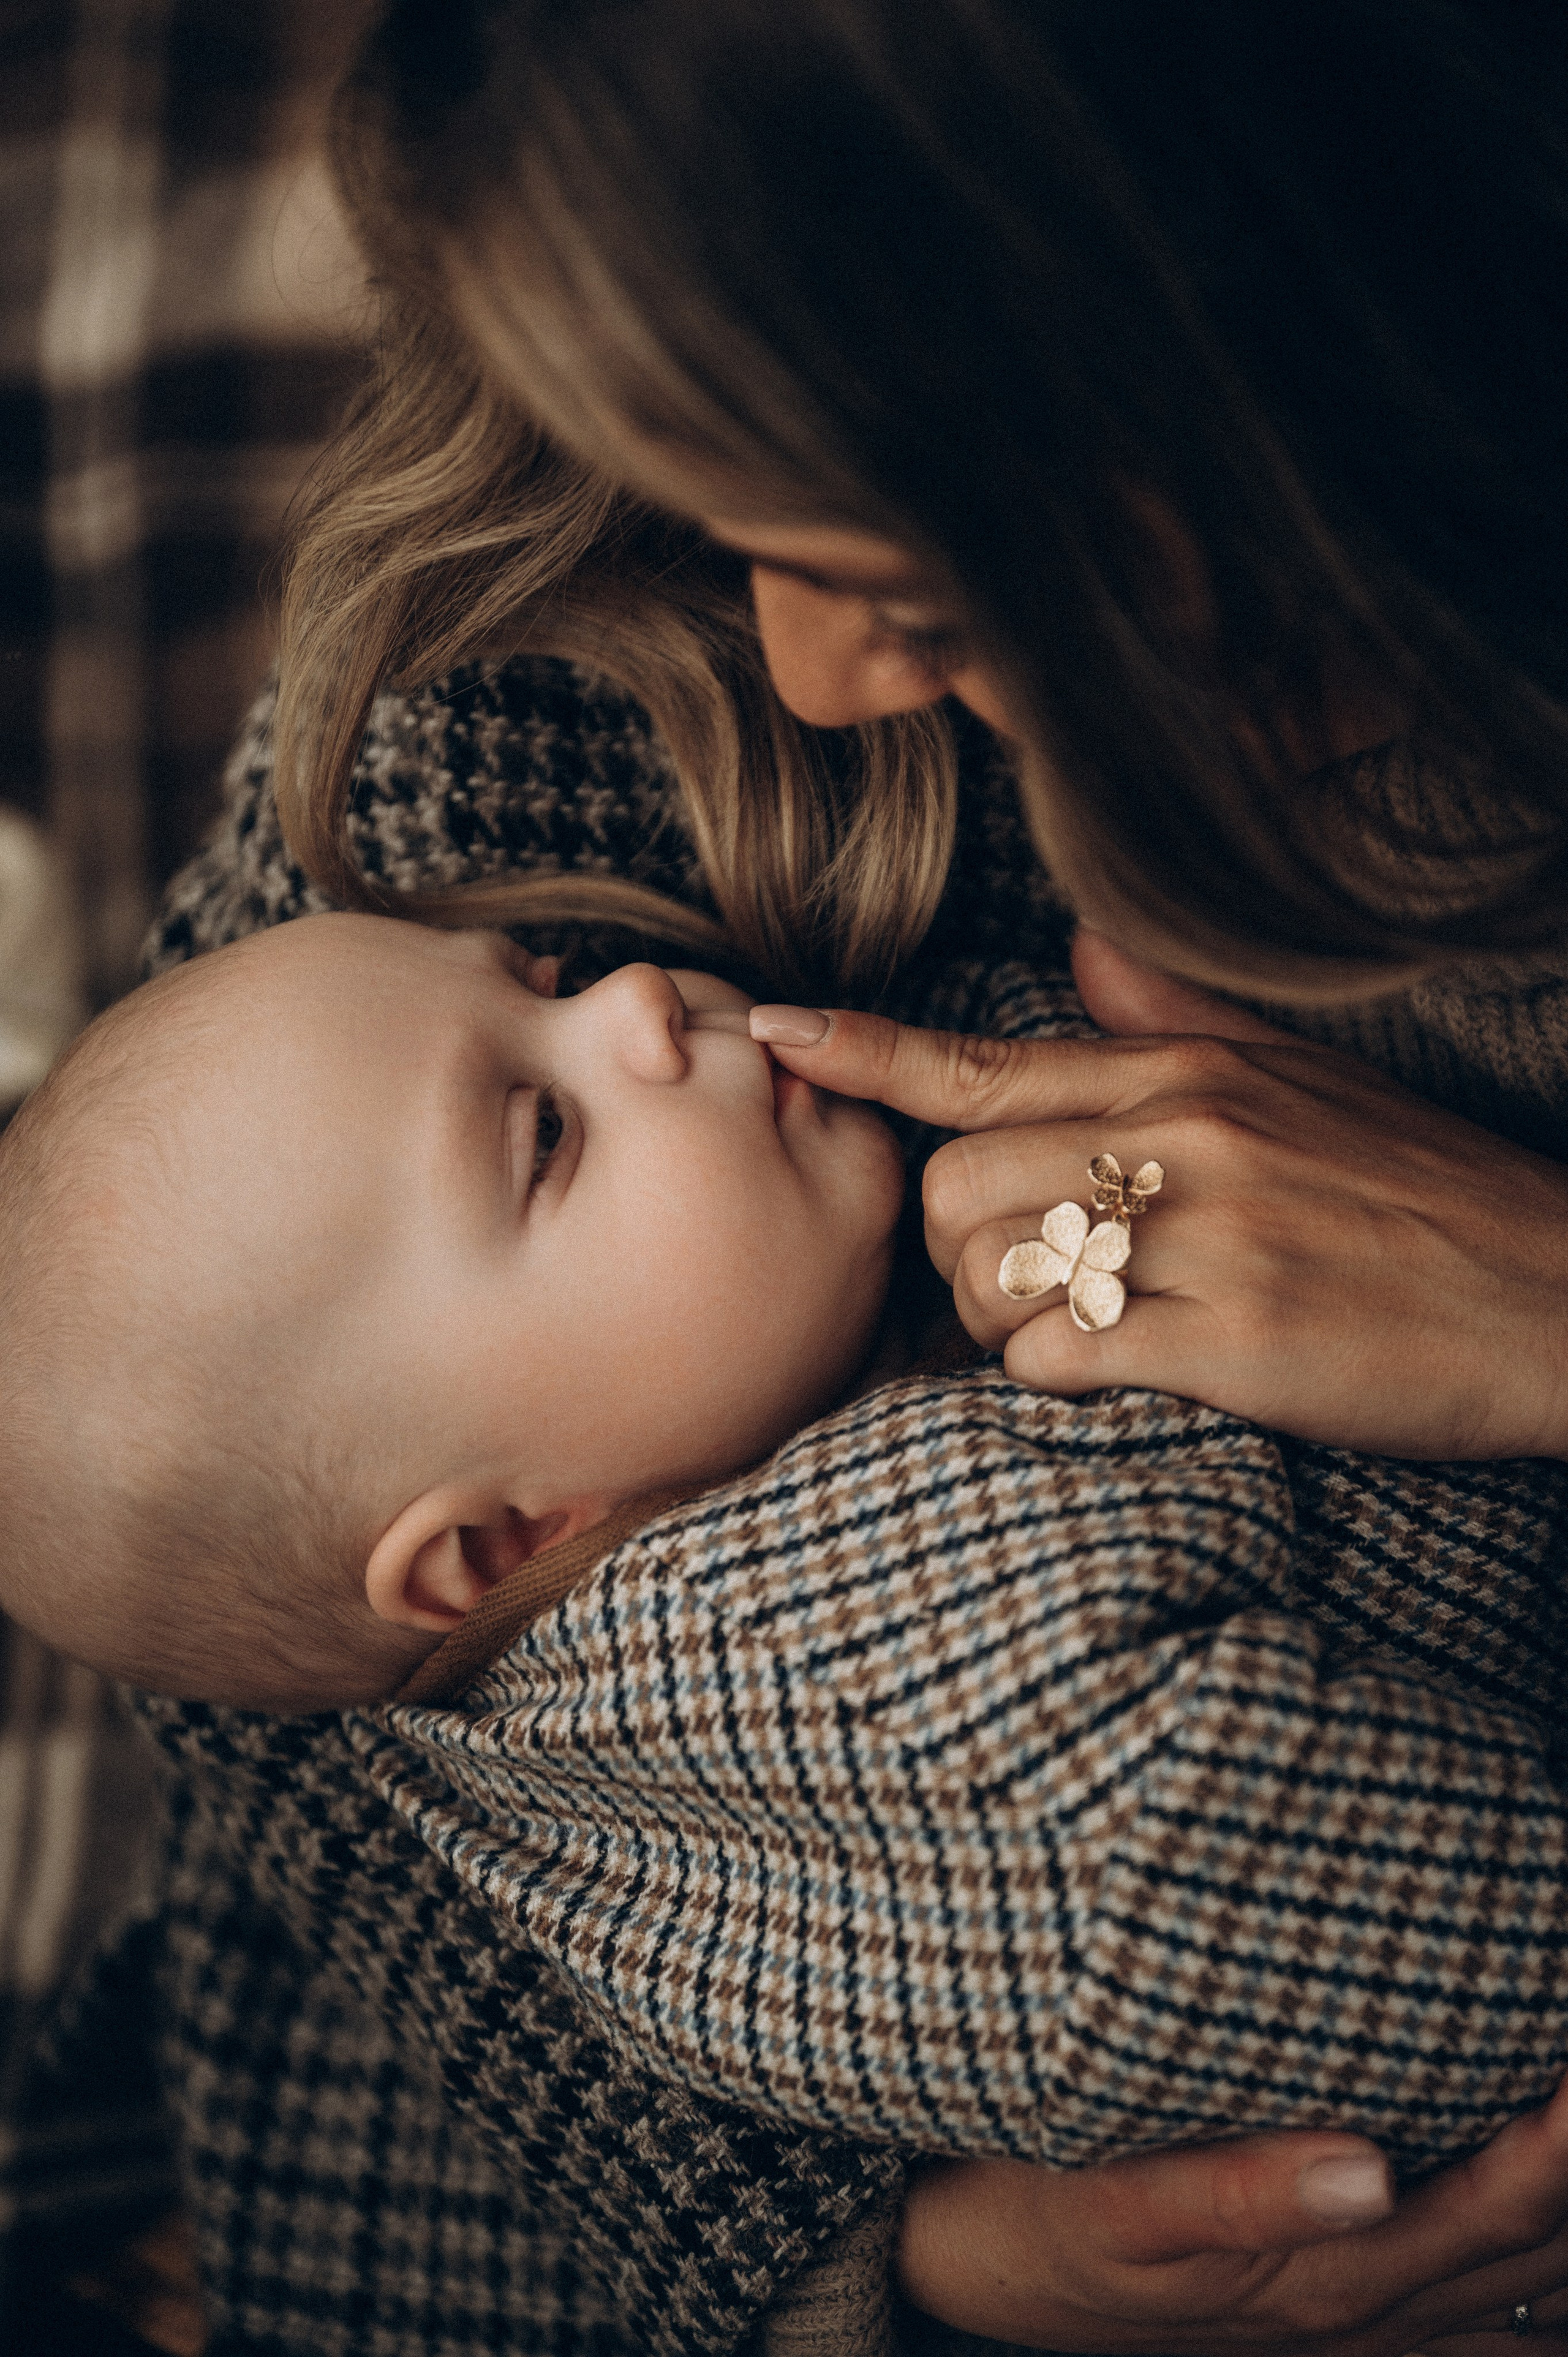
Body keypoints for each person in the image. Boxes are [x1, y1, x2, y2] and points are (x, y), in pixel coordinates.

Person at [114, 1, 1568, 2349]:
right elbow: (203, 1539)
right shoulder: (558, 610)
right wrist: (871, 2256)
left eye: (910, 557)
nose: (810, 674)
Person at [4, 905, 1568, 2205]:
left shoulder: (772, 1339)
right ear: (501, 1537)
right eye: (543, 1130)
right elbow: (1471, 1937)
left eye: (539, 980)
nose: (630, 998)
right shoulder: (911, 1723)